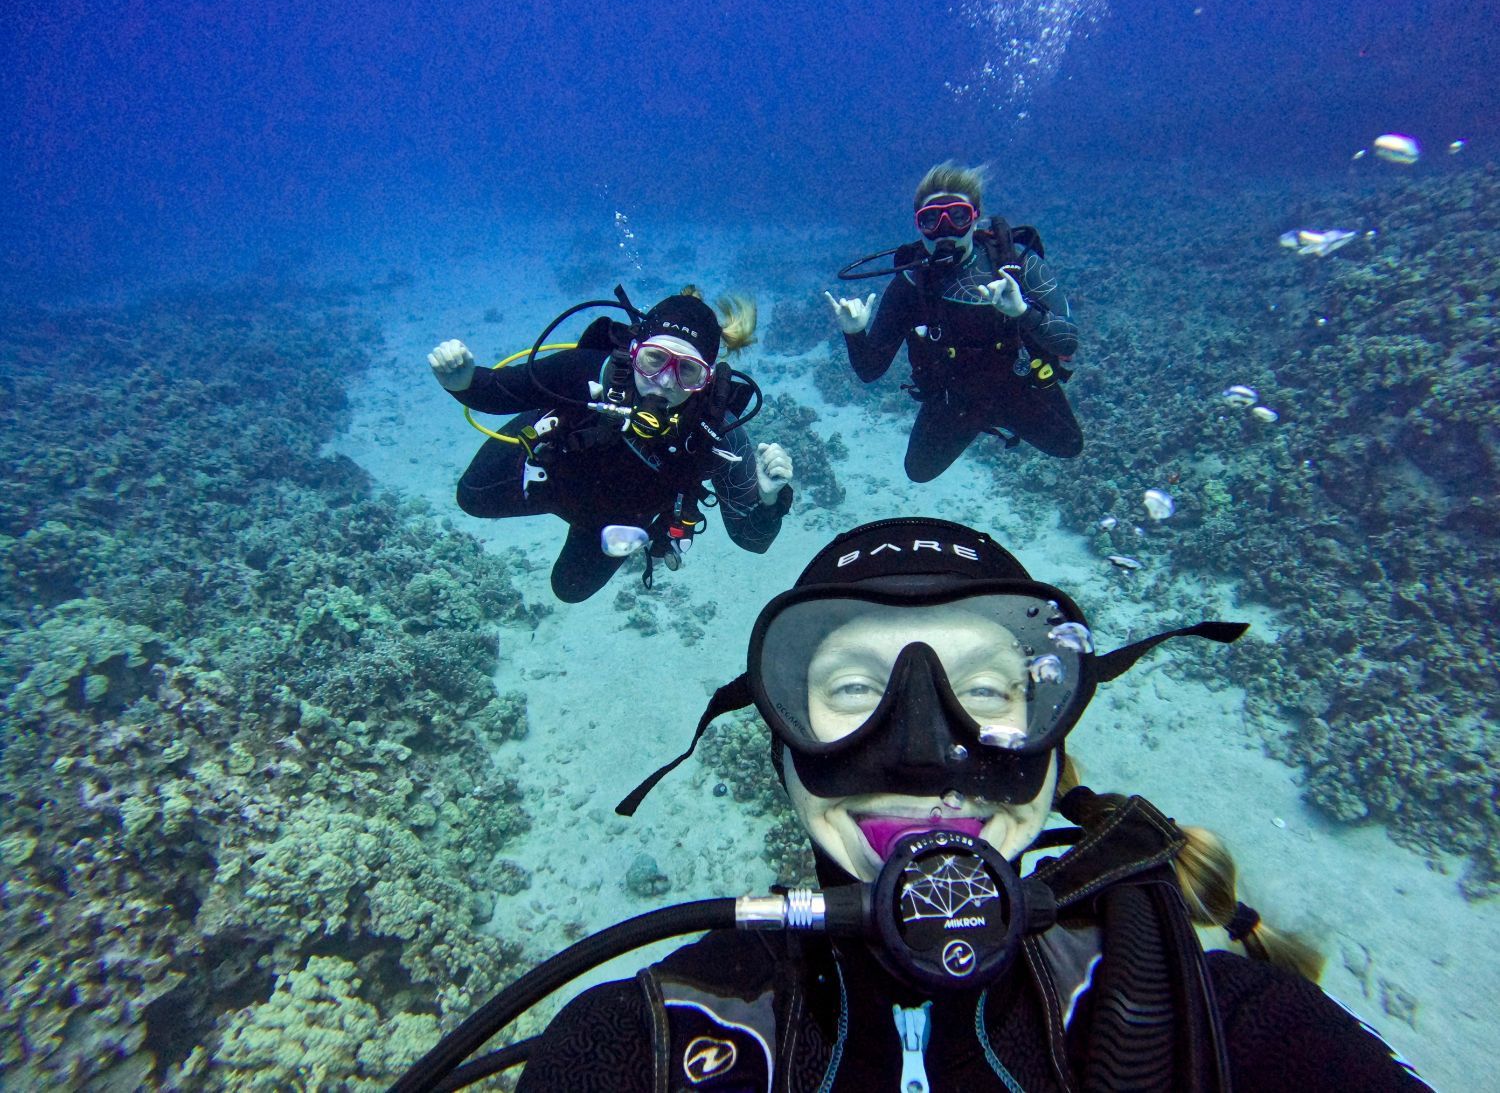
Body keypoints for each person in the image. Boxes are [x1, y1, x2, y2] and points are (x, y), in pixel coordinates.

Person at [502, 518, 1429, 1091]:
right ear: (783, 750)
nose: (922, 755)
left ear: (1053, 746)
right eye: (857, 690)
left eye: (985, 694)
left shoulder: (1216, 1023)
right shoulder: (645, 1044)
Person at [428, 289, 794, 602]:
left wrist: (768, 500)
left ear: (708, 378)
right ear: (634, 350)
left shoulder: (718, 436)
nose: (664, 382)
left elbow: (753, 540)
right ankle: (551, 421)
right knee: (471, 497)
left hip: (612, 519)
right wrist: (461, 381)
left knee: (569, 589)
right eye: (654, 359)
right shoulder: (587, 372)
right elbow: (498, 392)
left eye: (688, 370)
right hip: (548, 475)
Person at [827, 162, 1083, 482]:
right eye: (931, 220)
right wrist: (854, 333)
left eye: (958, 216)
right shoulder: (910, 284)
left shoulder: (1019, 265)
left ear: (975, 217)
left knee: (1070, 445)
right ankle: (977, 420)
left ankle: (998, 416)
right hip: (954, 397)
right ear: (919, 227)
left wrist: (1022, 310)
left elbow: (1068, 341)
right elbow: (870, 370)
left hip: (1018, 388)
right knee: (918, 471)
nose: (946, 229)